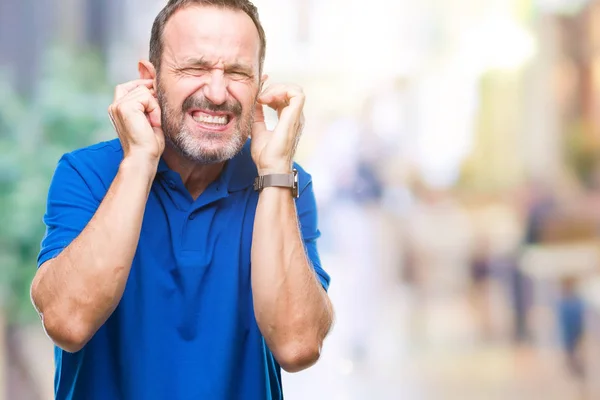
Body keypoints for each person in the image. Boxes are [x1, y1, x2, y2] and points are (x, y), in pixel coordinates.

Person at [29, 1, 334, 399]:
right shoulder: (87, 174)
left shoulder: (283, 185)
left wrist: (276, 170)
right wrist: (139, 159)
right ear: (149, 81)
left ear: (261, 87)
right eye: (195, 68)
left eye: (238, 73)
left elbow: (297, 346)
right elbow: (68, 322)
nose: (217, 92)